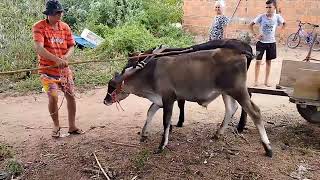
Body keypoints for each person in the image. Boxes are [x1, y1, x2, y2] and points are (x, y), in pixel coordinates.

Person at [32, 0, 83, 138]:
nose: (59, 15)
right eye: (56, 13)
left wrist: (65, 58)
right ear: (48, 14)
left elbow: (71, 46)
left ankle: (72, 126)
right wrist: (57, 60)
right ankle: (56, 125)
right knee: (53, 97)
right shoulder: (39, 27)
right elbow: (39, 48)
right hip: (47, 71)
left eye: (60, 12)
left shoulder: (65, 27)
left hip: (64, 71)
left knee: (71, 97)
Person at [249, 0, 285, 87]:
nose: (268, 9)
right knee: (258, 61)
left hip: (271, 43)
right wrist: (255, 35)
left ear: (274, 8)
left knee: (269, 62)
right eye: (267, 7)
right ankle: (256, 81)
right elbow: (250, 25)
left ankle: (266, 81)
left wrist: (281, 33)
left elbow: (284, 24)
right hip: (261, 43)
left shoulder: (277, 17)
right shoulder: (261, 16)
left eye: (270, 7)